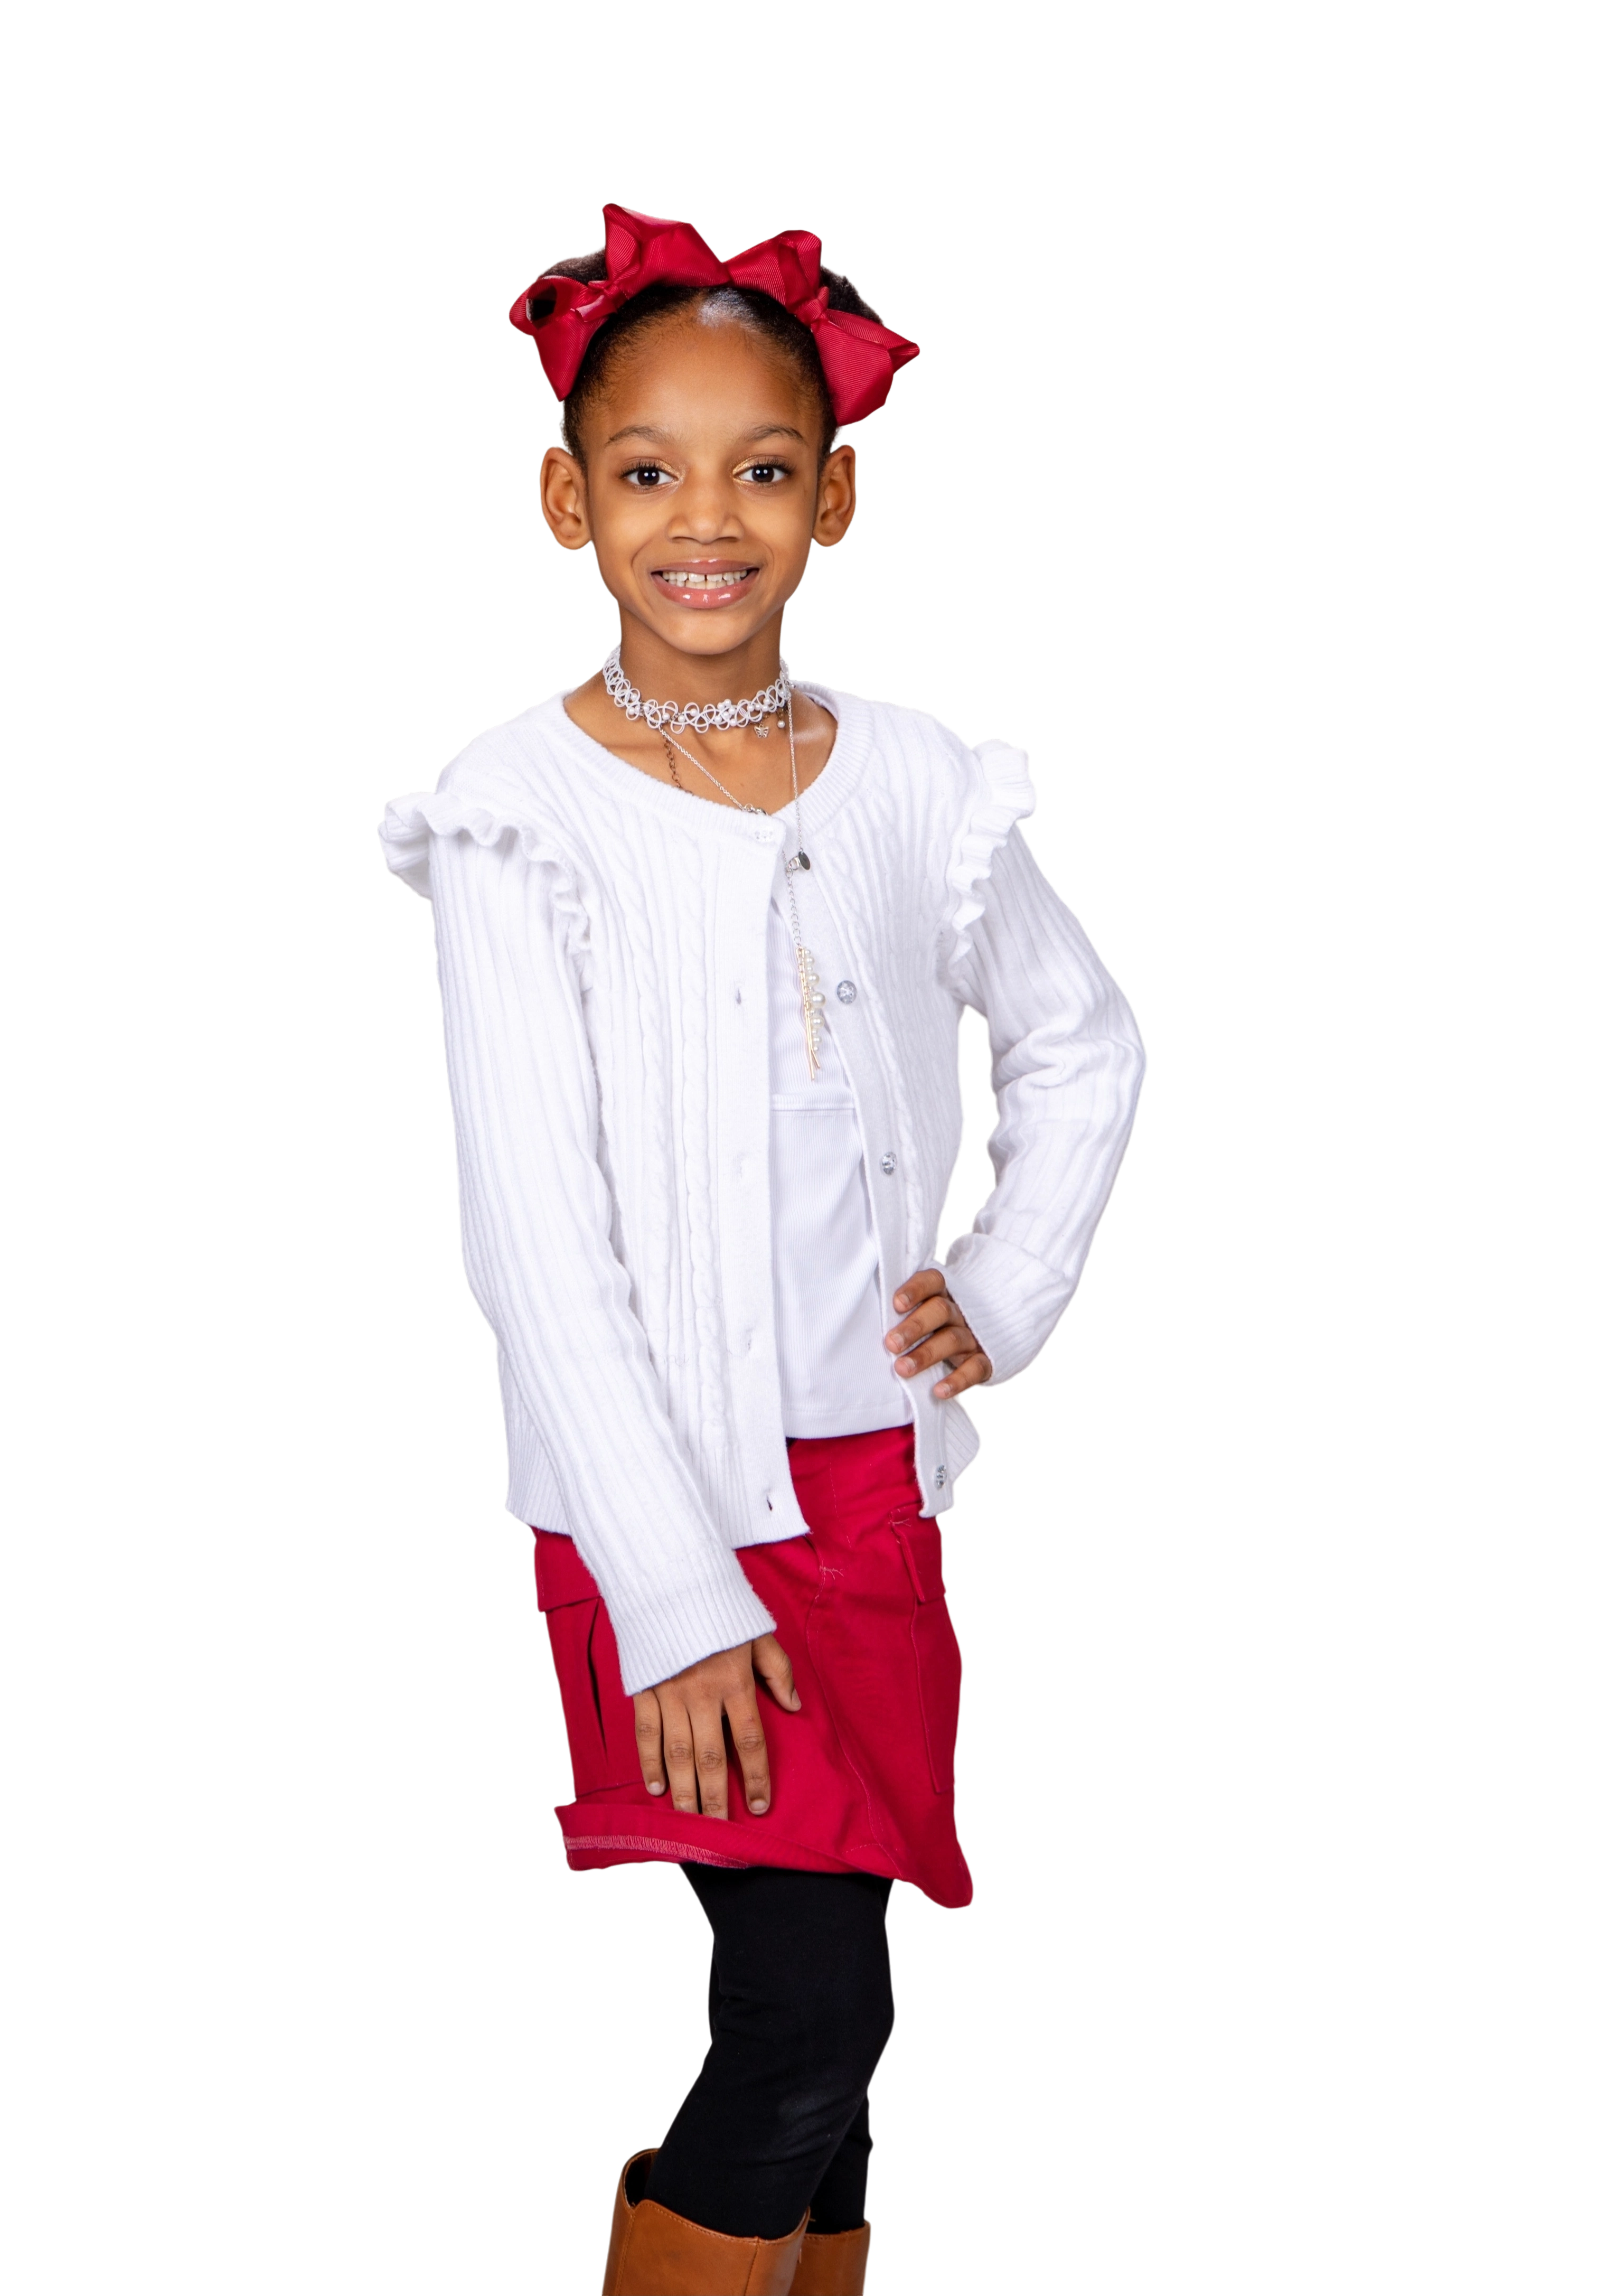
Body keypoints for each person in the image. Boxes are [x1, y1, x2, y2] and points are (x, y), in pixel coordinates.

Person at [378, 201, 1149, 2296]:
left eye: (763, 468)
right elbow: (535, 1239)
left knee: (839, 2009)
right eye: (647, 471)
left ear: (835, 501)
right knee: (808, 2011)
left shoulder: (911, 781)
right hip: (663, 1506)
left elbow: (1079, 1041)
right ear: (569, 502)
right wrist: (671, 1591)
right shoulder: (517, 807)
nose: (703, 520)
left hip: (865, 1483)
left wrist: (1002, 1285)